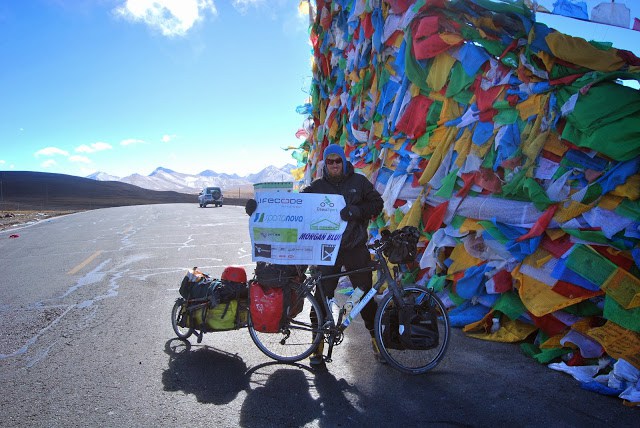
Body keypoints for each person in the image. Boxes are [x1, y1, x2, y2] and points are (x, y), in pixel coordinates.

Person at [245, 144, 384, 370]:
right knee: (321, 296)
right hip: (326, 249)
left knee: (365, 294)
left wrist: (356, 211)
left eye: (338, 161)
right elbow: (291, 208)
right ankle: (316, 345)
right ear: (325, 164)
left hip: (354, 247)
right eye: (330, 161)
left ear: (344, 161)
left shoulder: (359, 183)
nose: (334, 165)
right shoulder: (317, 187)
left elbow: (377, 203)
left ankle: (376, 339)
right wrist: (259, 209)